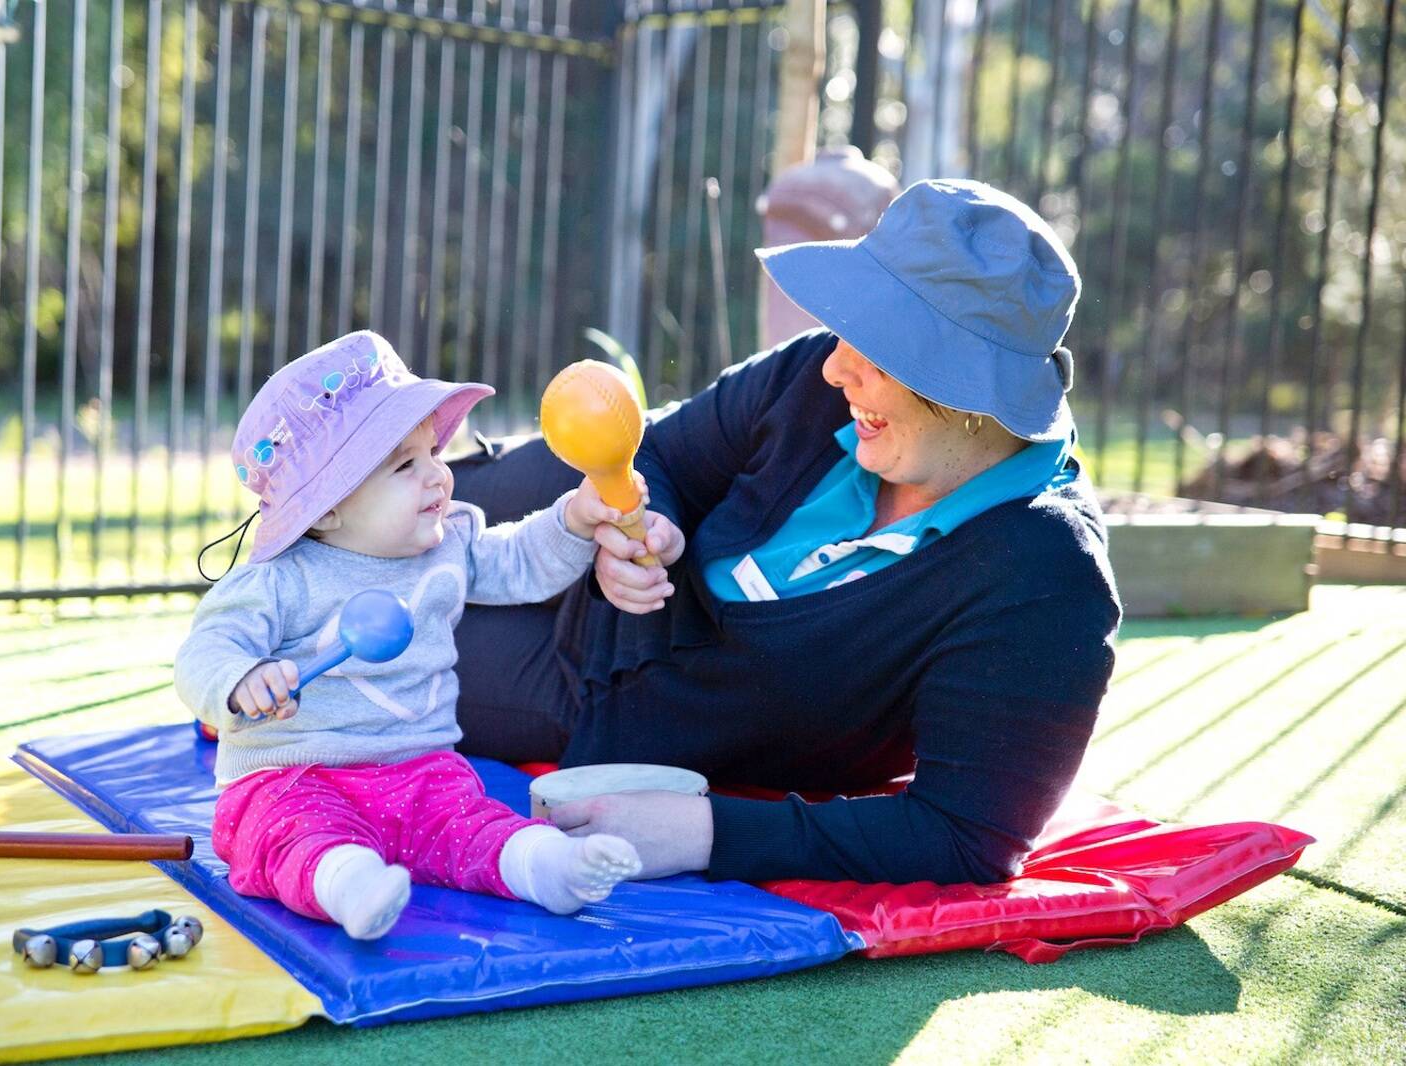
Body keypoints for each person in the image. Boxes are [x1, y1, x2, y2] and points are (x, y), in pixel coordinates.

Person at [449, 178, 1123, 887]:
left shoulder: (1044, 577)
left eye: (877, 349)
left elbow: (962, 835)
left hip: (591, 691)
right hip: (575, 503)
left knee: (366, 650)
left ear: (968, 390)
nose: (834, 366)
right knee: (374, 494)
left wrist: (704, 831)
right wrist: (651, 521)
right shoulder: (817, 375)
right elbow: (666, 453)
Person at [174, 331, 642, 941]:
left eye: (432, 454)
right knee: (290, 833)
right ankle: (349, 882)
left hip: (419, 771)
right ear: (327, 508)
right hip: (294, 774)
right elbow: (203, 653)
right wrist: (240, 680)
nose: (438, 478)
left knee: (469, 824)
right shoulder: (276, 581)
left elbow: (523, 564)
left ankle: (547, 865)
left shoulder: (448, 543)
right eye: (405, 465)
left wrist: (573, 520)